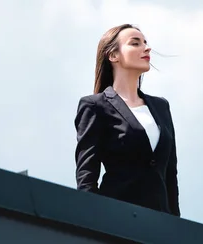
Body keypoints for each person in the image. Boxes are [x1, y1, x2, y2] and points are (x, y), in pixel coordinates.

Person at [74, 24, 180, 217]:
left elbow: (170, 175)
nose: (147, 48)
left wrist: (176, 227)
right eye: (135, 43)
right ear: (113, 56)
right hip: (117, 219)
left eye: (146, 43)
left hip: (161, 225)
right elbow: (86, 178)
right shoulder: (95, 106)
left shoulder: (161, 107)